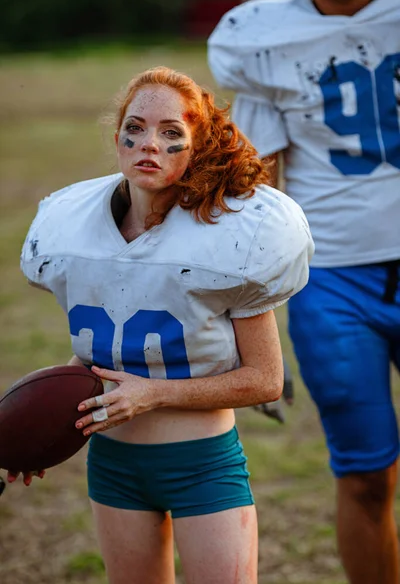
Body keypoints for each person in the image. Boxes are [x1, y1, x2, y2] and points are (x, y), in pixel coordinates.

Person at [11, 67, 313, 584]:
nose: (150, 143)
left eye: (172, 132)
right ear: (118, 138)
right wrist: (36, 431)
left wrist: (153, 394)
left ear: (197, 146)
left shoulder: (230, 237)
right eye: (137, 126)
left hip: (202, 465)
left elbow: (264, 379)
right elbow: (91, 363)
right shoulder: (75, 230)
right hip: (112, 465)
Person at [208, 0, 400, 583]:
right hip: (334, 282)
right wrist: (241, 332)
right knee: (365, 476)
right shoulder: (261, 36)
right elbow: (253, 192)